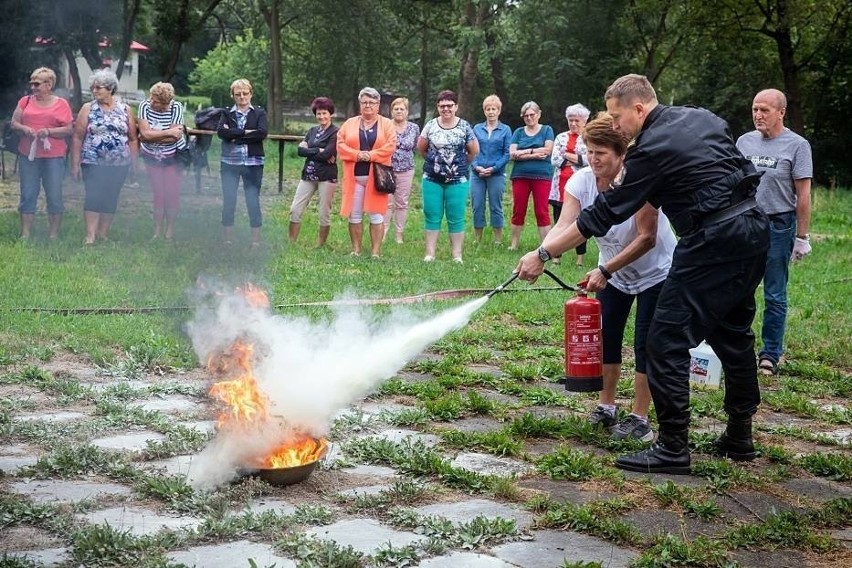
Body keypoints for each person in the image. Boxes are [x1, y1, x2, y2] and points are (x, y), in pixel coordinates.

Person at [516, 74, 769, 474]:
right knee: (733, 335)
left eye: (618, 118)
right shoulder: (702, 118)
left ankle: (671, 447)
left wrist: (543, 253)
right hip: (754, 229)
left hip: (712, 238)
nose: (615, 127)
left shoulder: (649, 149)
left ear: (639, 108)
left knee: (664, 339)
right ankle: (740, 436)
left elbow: (605, 212)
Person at [562, 113, 676, 441]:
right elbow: (566, 225)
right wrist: (541, 254)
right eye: (589, 151)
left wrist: (605, 270)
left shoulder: (638, 182)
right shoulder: (580, 181)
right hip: (612, 271)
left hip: (656, 272)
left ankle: (640, 417)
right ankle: (606, 407)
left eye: (602, 153)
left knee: (646, 344)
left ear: (620, 154)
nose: (594, 159)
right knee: (606, 339)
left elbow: (647, 237)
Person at [736, 89, 813, 377]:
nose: (758, 115)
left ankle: (770, 354)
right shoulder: (744, 141)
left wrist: (802, 237)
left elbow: (803, 194)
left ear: (781, 112)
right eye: (755, 109)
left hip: (779, 224)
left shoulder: (797, 145)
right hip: (746, 222)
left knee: (774, 292)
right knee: (738, 287)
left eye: (764, 110)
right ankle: (735, 347)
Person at [70, 69, 138, 245]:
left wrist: (134, 163)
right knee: (93, 195)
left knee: (111, 196)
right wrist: (75, 164)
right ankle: (90, 235)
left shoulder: (125, 109)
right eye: (93, 88)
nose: (95, 91)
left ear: (110, 88)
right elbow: (77, 136)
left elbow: (132, 138)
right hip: (92, 161)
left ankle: (103, 233)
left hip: (119, 163)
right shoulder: (88, 108)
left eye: (98, 87)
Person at [9, 67, 73, 240]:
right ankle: (25, 234)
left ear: (49, 84)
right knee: (28, 193)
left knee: (54, 193)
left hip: (54, 157)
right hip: (28, 155)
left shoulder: (62, 104)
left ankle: (53, 235)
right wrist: (25, 129)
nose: (33, 87)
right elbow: (14, 123)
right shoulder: (25, 101)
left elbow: (68, 129)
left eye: (36, 84)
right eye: (31, 83)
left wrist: (49, 132)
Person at [417, 90, 479, 263]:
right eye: (442, 106)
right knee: (432, 214)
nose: (446, 109)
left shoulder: (464, 126)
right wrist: (434, 162)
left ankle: (456, 255)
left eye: (449, 105)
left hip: (458, 180)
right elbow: (421, 147)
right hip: (431, 179)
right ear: (438, 107)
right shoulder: (430, 125)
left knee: (456, 215)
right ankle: (430, 254)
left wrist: (459, 164)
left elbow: (474, 151)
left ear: (456, 107)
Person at [336, 87, 397, 258]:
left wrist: (370, 155)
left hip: (377, 177)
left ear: (378, 105)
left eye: (371, 102)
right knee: (354, 214)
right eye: (364, 102)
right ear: (360, 104)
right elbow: (340, 145)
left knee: (376, 214)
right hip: (353, 177)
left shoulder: (387, 124)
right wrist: (357, 155)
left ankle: (375, 252)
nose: (368, 105)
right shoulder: (350, 123)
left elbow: (390, 146)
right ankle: (355, 250)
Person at [217, 78, 268, 247]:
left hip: (253, 163)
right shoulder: (226, 113)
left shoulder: (259, 113)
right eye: (238, 94)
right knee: (229, 199)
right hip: (229, 163)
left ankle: (255, 241)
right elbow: (221, 133)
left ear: (251, 94)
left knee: (252, 199)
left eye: (245, 93)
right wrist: (246, 132)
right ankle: (228, 239)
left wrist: (235, 136)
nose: (242, 97)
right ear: (232, 95)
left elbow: (261, 133)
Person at [137, 81, 186, 241]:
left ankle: (169, 230)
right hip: (151, 156)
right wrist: (168, 132)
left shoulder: (176, 107)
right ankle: (157, 230)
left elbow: (175, 138)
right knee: (158, 193)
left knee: (172, 193)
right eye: (151, 98)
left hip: (173, 156)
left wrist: (153, 135)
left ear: (166, 103)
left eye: (156, 101)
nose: (151, 102)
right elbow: (144, 134)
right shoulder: (144, 106)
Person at [289, 96, 339, 247]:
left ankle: (320, 245)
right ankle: (291, 241)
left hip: (327, 177)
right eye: (318, 113)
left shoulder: (336, 132)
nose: (321, 116)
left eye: (324, 113)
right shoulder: (312, 131)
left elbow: (328, 154)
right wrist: (318, 149)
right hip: (308, 175)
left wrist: (311, 150)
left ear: (330, 114)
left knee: (324, 212)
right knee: (295, 209)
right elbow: (299, 150)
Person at [508, 101, 554, 251]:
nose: (529, 118)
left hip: (542, 176)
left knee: (541, 210)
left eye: (532, 114)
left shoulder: (547, 130)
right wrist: (534, 153)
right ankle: (514, 244)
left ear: (539, 114)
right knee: (518, 209)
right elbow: (512, 154)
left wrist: (524, 152)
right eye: (526, 115)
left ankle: (545, 246)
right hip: (520, 175)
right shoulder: (518, 132)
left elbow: (547, 151)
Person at [550, 104, 589, 265]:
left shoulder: (589, 137)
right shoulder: (560, 137)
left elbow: (587, 161)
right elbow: (554, 159)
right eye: (570, 120)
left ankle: (580, 257)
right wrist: (576, 158)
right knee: (559, 219)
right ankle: (556, 254)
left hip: (579, 188)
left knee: (580, 221)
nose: (573, 124)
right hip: (559, 187)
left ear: (585, 122)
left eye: (577, 121)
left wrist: (566, 155)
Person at [470, 94, 512, 245]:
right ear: (484, 111)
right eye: (488, 109)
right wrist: (476, 166)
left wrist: (494, 168)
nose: (491, 112)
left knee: (496, 205)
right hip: (477, 174)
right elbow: (471, 149)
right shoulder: (477, 128)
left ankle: (498, 240)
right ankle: (478, 239)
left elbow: (507, 153)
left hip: (497, 174)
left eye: (494, 109)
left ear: (499, 111)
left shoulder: (505, 130)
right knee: (477, 205)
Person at [384, 97, 420, 244]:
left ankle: (399, 234)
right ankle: (383, 232)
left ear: (407, 112)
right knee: (386, 202)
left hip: (406, 169)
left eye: (402, 109)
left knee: (402, 203)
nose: (399, 111)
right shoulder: (385, 125)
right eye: (396, 109)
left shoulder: (414, 128)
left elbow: (415, 147)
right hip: (387, 168)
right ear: (391, 111)